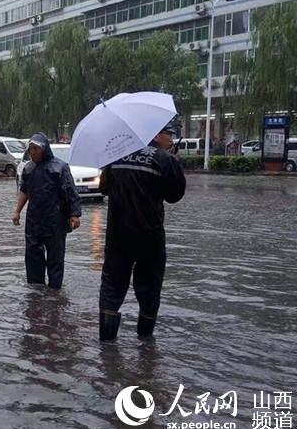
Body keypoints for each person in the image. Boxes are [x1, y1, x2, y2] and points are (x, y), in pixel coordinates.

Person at [98, 121, 186, 341]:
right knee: (149, 288)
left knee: (112, 287)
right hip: (150, 237)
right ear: (156, 135)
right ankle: (146, 345)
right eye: (169, 134)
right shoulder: (164, 160)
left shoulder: (117, 156)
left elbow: (103, 188)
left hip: (117, 236)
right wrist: (174, 162)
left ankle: (107, 346)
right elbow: (175, 195)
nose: (172, 139)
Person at [12, 132, 81, 289]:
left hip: (55, 219)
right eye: (31, 149)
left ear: (44, 149)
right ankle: (36, 291)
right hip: (34, 219)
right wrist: (17, 211)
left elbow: (71, 192)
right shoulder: (28, 169)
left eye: (36, 149)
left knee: (55, 258)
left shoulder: (59, 168)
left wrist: (75, 214)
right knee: (32, 256)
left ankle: (55, 291)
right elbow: (24, 191)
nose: (33, 152)